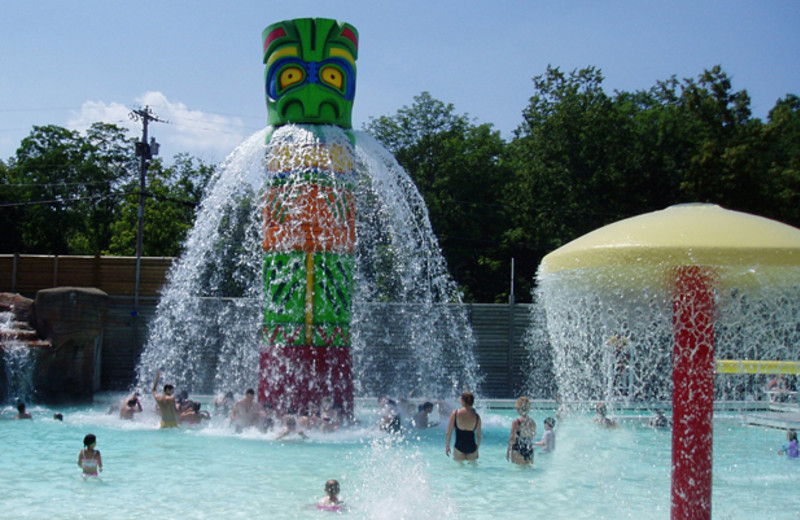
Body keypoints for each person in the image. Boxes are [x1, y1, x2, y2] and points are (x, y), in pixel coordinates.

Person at [445, 392, 481, 461]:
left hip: (459, 447)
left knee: (458, 470)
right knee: (473, 470)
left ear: (463, 401)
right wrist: (477, 450)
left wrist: (447, 446)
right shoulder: (477, 417)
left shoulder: (455, 414)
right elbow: (479, 436)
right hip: (472, 447)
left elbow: (448, 432)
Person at [506, 396, 536, 465]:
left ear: (519, 409)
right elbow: (533, 435)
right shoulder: (532, 422)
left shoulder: (516, 422)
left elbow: (512, 438)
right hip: (529, 449)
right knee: (528, 472)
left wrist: (508, 451)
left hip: (518, 449)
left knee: (518, 473)